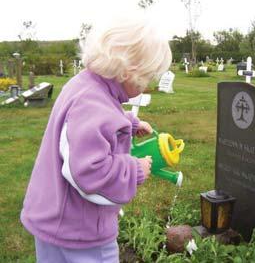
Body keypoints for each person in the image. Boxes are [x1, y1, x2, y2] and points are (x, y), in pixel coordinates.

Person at [20, 17, 172, 263]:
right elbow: (91, 171)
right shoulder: (93, 103)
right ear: (128, 72)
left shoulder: (85, 86)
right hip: (81, 232)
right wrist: (135, 169)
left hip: (52, 218)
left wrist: (129, 123)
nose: (147, 85)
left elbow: (92, 124)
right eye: (146, 77)